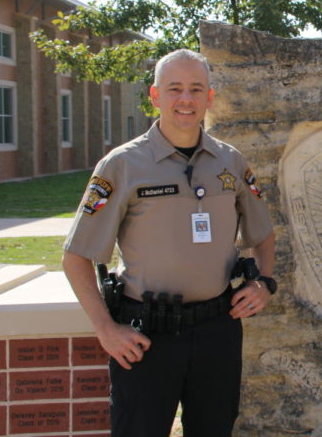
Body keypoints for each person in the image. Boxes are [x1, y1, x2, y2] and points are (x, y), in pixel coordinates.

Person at [63, 49, 276, 437]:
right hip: (146, 335)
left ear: (210, 97)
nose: (186, 99)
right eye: (174, 88)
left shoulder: (231, 162)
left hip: (217, 329)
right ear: (154, 95)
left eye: (196, 89)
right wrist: (106, 330)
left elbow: (263, 236)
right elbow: (76, 257)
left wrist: (263, 283)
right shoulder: (122, 165)